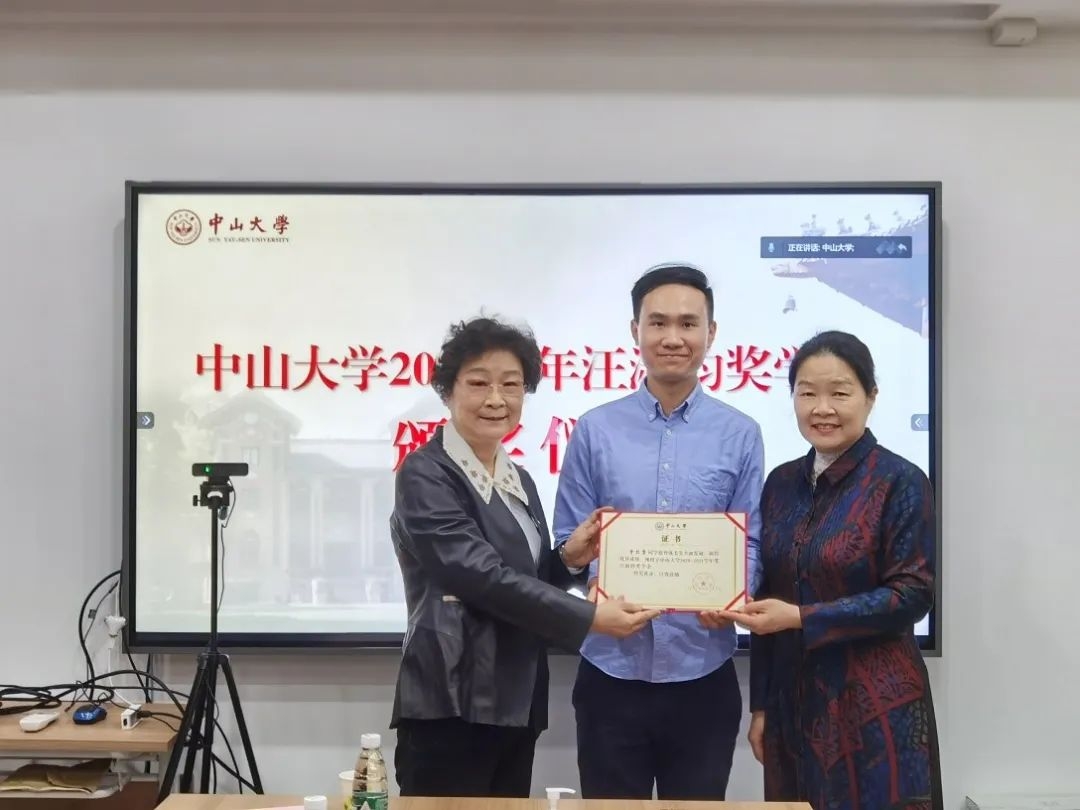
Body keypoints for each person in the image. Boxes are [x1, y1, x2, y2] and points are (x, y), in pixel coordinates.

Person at [389, 315, 661, 799]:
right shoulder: (425, 473)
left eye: (511, 385)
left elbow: (525, 578)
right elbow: (479, 576)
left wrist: (568, 559)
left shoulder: (518, 479)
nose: (496, 399)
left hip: (516, 697)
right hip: (451, 697)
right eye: (479, 383)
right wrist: (591, 617)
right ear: (448, 391)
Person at [552, 264, 765, 800]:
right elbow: (568, 543)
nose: (673, 337)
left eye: (689, 324)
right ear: (636, 331)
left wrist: (734, 594)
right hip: (610, 672)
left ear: (711, 333)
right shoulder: (594, 430)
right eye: (658, 323)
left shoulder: (741, 434)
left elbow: (750, 539)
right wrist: (588, 579)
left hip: (703, 671)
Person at [722, 330, 942, 810]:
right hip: (793, 704)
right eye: (807, 394)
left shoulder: (901, 481)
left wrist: (801, 617)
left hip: (876, 707)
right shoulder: (781, 483)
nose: (822, 408)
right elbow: (768, 595)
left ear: (871, 397)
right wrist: (761, 707)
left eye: (839, 393)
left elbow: (912, 594)